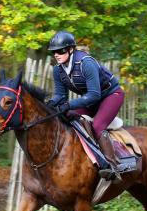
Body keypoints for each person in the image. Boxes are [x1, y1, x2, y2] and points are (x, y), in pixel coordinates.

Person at [45, 31, 124, 182]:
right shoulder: (58, 70)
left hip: (110, 95)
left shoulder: (86, 63)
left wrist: (68, 105)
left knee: (98, 125)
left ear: (71, 49)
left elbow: (94, 94)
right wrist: (50, 104)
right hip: (92, 100)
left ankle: (112, 167)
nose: (56, 54)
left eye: (60, 50)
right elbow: (61, 95)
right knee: (65, 117)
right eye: (54, 51)